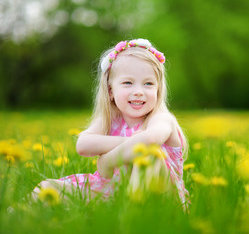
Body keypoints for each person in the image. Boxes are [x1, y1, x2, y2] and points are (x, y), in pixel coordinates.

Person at [32, 38, 189, 206]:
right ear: (110, 91)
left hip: (160, 198)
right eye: (128, 83)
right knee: (46, 188)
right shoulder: (111, 120)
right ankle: (16, 216)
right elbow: (83, 144)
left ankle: (133, 219)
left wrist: (107, 161)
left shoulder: (161, 119)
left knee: (149, 154)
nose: (138, 92)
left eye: (148, 84)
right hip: (113, 192)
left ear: (158, 89)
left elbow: (149, 140)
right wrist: (128, 142)